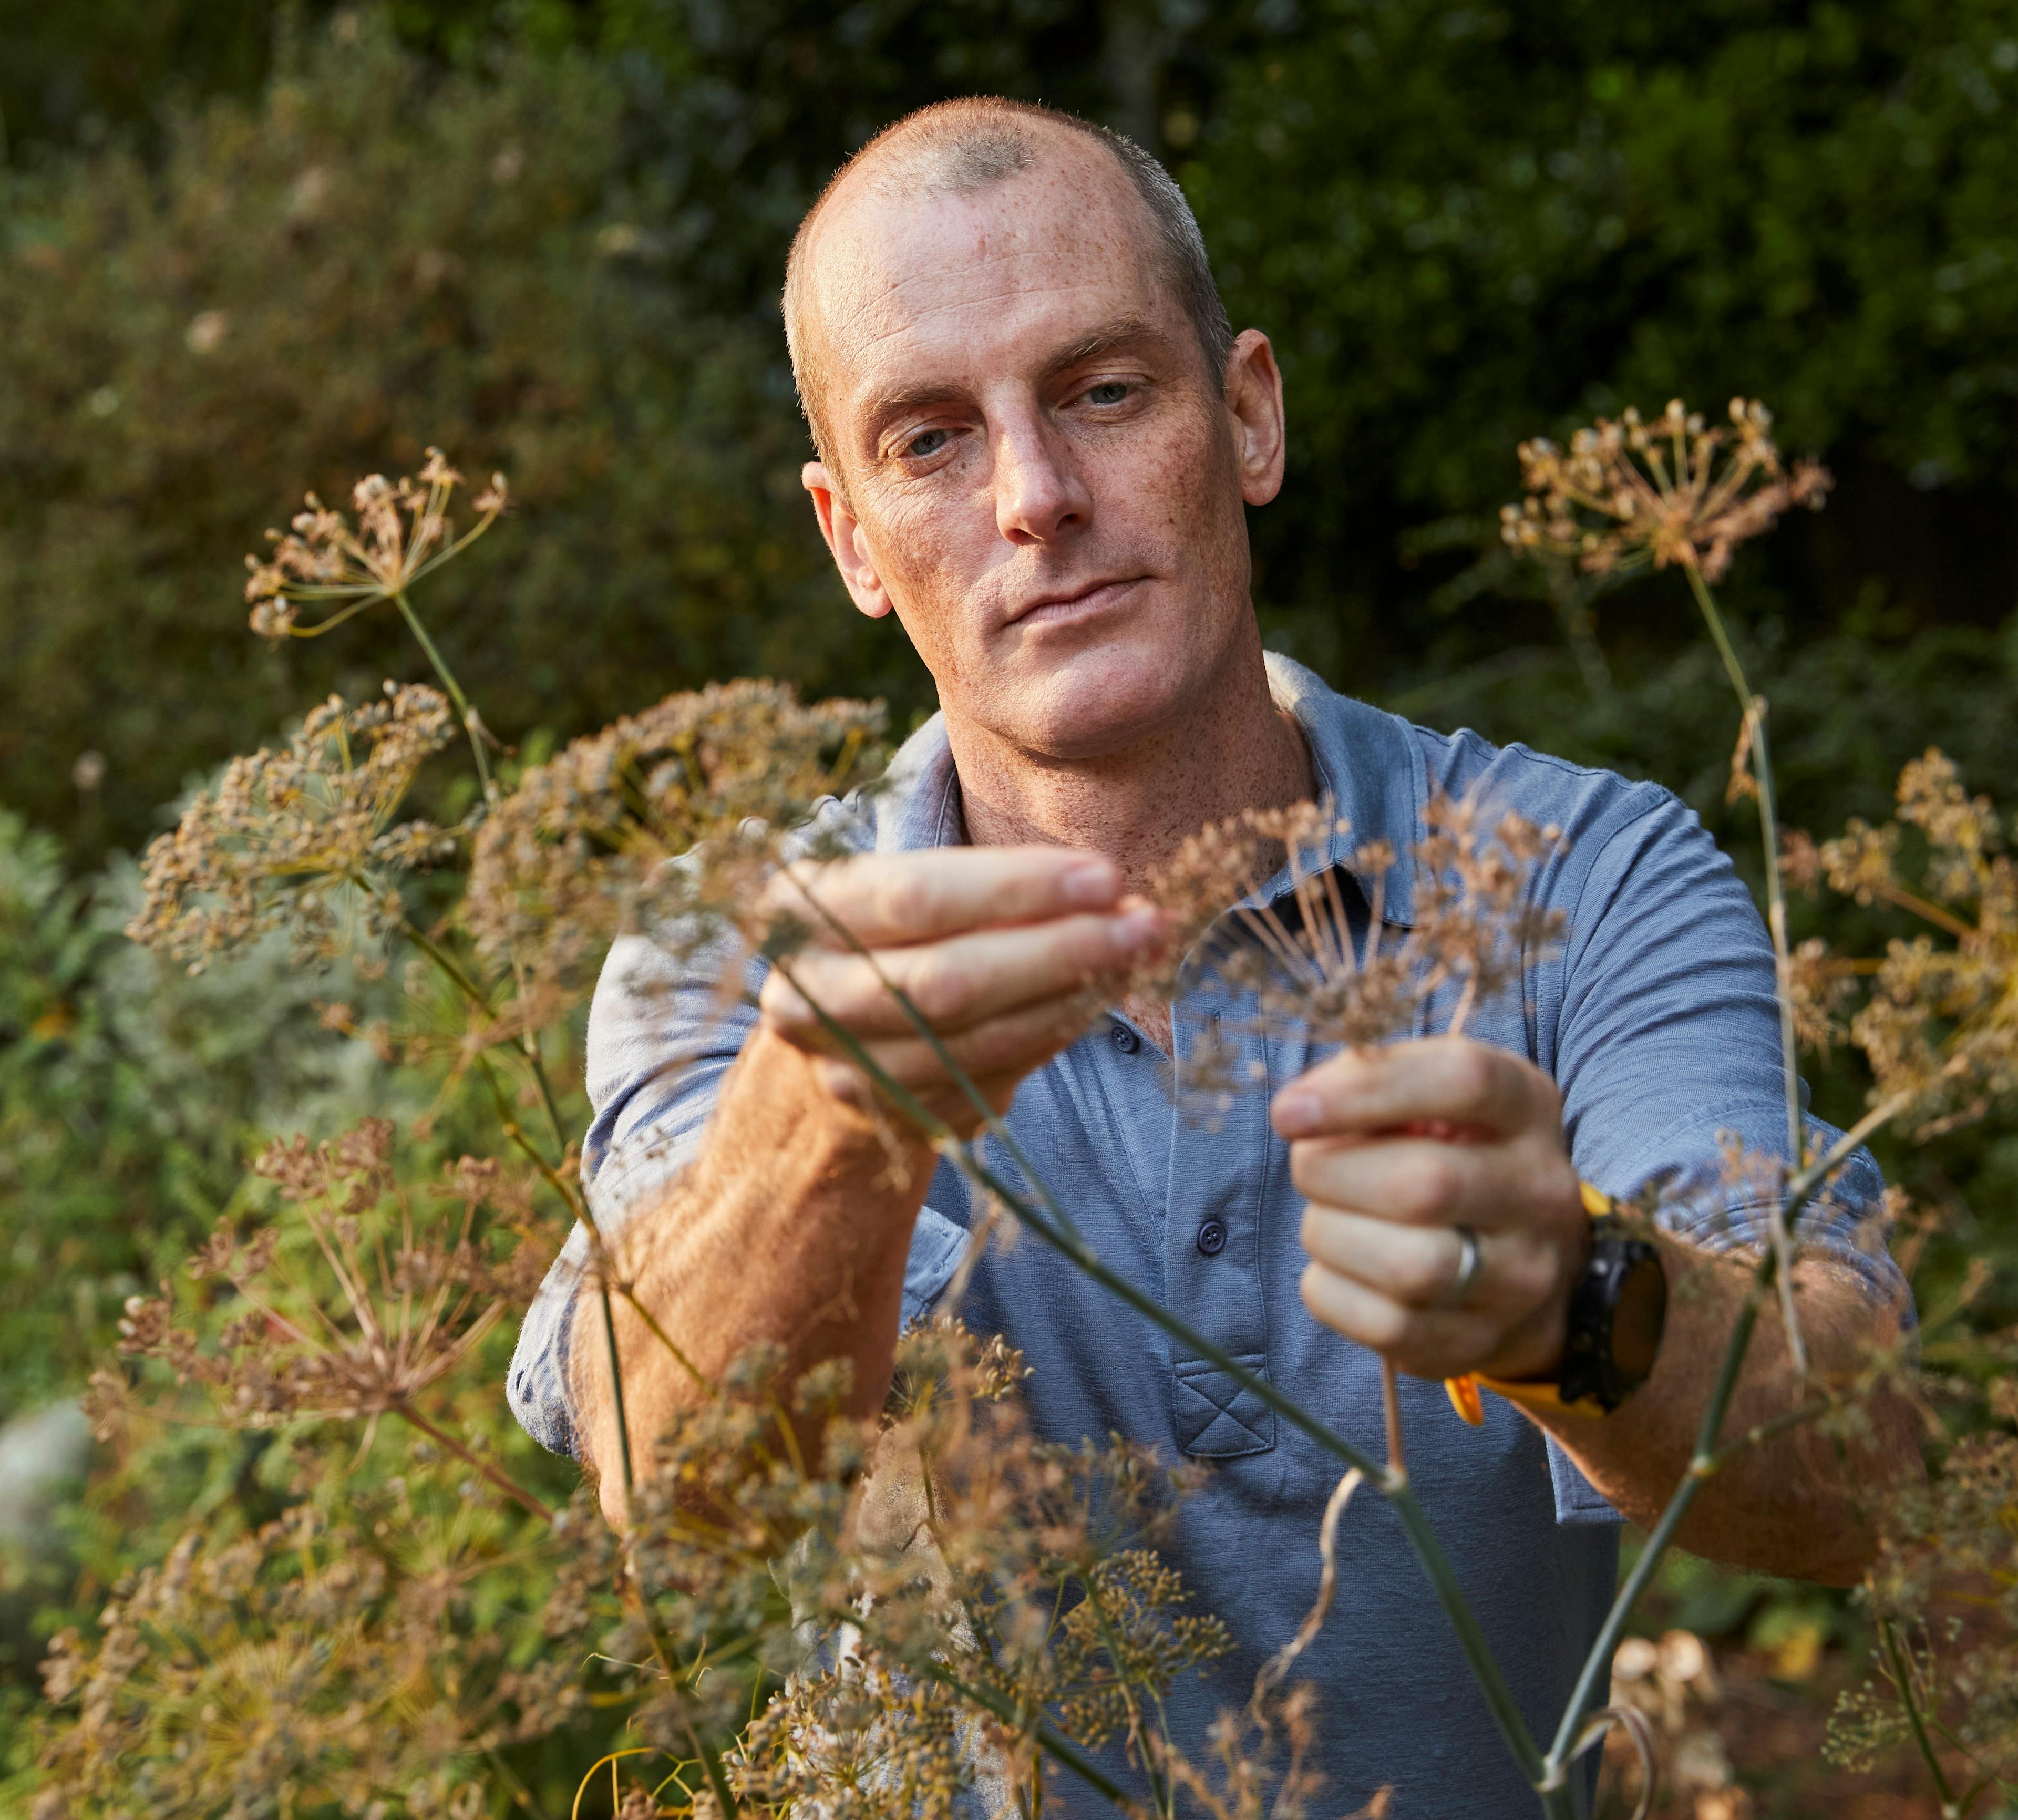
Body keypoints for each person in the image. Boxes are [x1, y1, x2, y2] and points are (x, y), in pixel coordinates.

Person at [509, 98, 1918, 1815]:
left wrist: (1577, 1299)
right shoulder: (736, 950)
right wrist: (828, 1120)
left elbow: (1862, 1471)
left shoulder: (1580, 875)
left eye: (1103, 393)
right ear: (851, 537)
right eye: (931, 441)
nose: (1035, 497)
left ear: (1246, 415)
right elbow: (675, 1496)